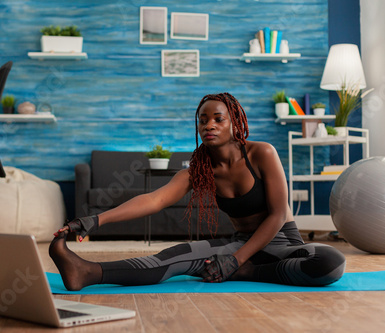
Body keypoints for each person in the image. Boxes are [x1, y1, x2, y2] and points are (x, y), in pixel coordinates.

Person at [49, 92, 346, 291]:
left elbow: (279, 213)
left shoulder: (261, 153)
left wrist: (237, 262)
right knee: (172, 257)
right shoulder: (197, 170)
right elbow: (154, 200)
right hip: (239, 244)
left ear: (235, 122)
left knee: (331, 262)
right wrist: (94, 220)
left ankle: (247, 273)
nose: (209, 125)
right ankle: (86, 272)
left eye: (218, 118)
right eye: (203, 120)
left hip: (282, 245)